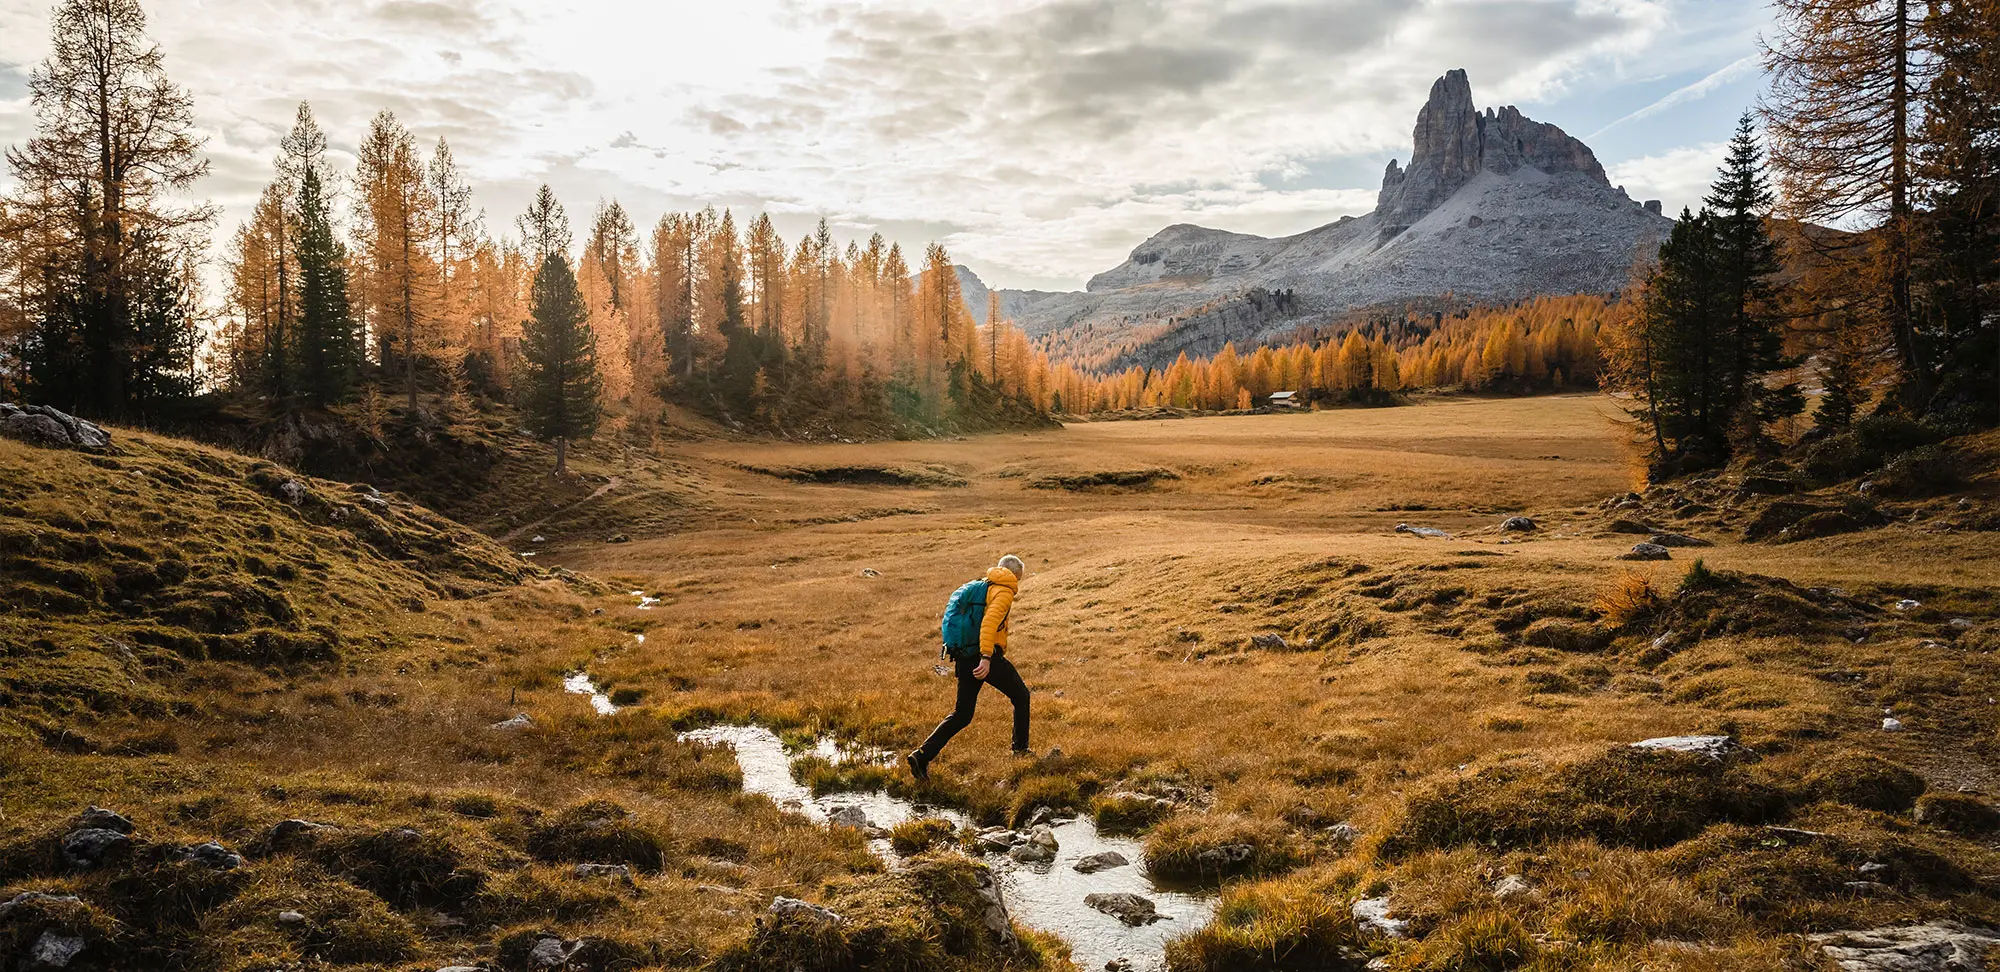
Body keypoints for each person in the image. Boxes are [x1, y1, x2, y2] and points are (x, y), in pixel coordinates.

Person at [907, 555, 1031, 780]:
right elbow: (989, 624)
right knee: (1021, 696)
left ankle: (921, 756)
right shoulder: (1003, 591)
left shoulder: (983, 585)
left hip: (964, 656)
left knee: (962, 714)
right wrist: (986, 657)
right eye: (1019, 578)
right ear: (1014, 575)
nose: (1018, 583)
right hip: (983, 657)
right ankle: (1020, 750)